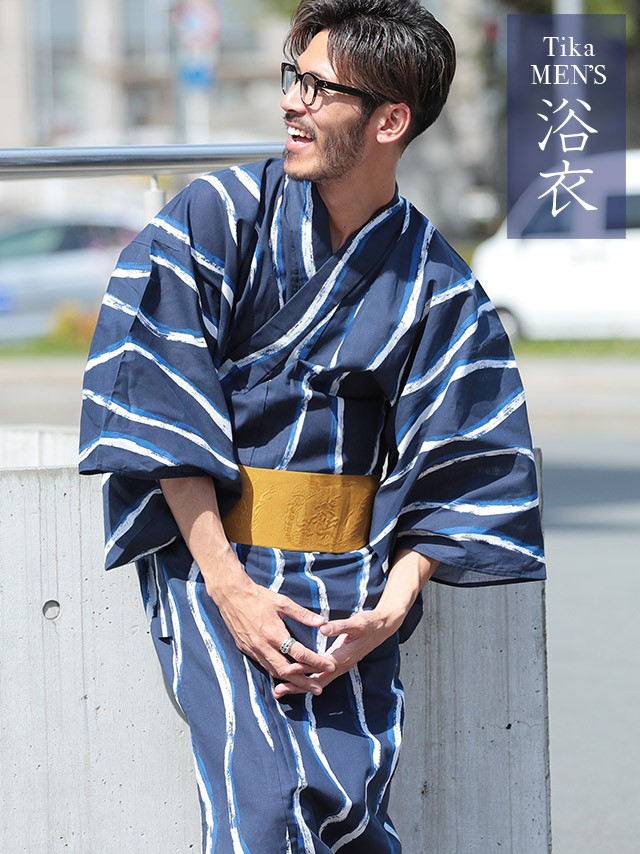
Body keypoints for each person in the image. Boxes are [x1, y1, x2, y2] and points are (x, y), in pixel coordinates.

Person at [79, 1, 545, 851]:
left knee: (346, 812)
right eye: (296, 77)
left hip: (349, 592)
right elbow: (160, 403)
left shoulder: (433, 280)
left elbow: (470, 452)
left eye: (321, 88)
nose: (293, 101)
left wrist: (389, 608)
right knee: (260, 812)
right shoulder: (214, 219)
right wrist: (229, 589)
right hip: (213, 562)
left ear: (390, 121)